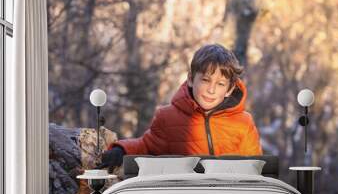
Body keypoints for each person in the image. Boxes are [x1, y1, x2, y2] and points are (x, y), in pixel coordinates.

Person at [97, 43, 262, 170]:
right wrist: (121, 151)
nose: (211, 90)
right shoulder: (167, 118)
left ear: (230, 89)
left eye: (220, 84)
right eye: (205, 80)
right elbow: (146, 146)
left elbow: (256, 166)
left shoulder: (243, 123)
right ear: (191, 79)